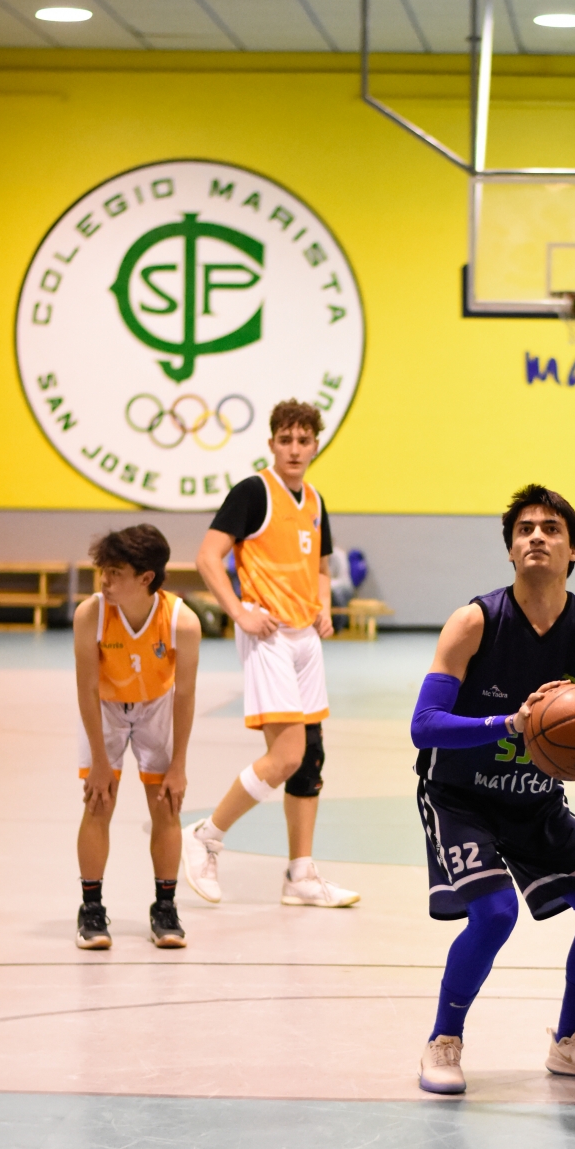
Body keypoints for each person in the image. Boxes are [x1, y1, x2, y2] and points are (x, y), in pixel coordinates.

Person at [410, 483, 575, 1096]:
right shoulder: (474, 621)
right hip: (459, 798)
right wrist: (508, 723)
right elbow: (423, 726)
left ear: (573, 550)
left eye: (551, 529)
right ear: (510, 549)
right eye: (524, 529)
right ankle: (443, 1040)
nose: (537, 537)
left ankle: (571, 1040)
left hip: (535, 800)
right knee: (495, 913)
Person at [181, 400, 358, 909]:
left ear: (315, 445)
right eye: (286, 440)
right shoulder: (253, 492)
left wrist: (323, 608)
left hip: (305, 637)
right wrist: (239, 612)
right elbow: (207, 557)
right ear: (272, 444)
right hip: (268, 633)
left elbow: (321, 567)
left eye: (303, 440)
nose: (295, 449)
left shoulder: (316, 501)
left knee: (310, 758)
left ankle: (300, 875)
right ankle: (207, 835)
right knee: (286, 756)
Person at [73, 526, 201, 950]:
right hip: (106, 708)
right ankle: (91, 908)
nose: (104, 581)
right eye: (103, 571)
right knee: (98, 802)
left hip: (155, 706)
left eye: (115, 573)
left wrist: (179, 765)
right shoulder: (90, 615)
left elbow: (184, 695)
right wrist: (98, 761)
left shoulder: (182, 622)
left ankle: (165, 908)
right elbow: (87, 689)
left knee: (167, 805)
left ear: (146, 578)